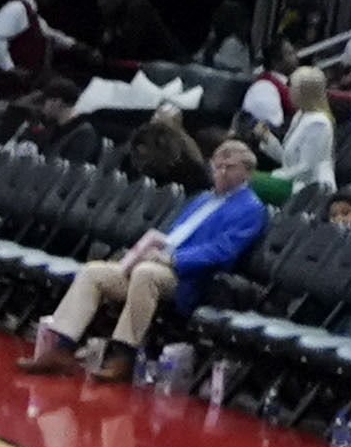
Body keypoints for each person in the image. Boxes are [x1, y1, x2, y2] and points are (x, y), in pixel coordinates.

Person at [17, 135, 262, 383]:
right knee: (94, 272)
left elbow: (222, 251)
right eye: (217, 165)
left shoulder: (250, 208)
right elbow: (170, 235)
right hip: (157, 264)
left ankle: (123, 356)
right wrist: (144, 251)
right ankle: (62, 347)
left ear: (247, 173)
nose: (220, 171)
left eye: (229, 167)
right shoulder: (201, 199)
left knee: (146, 273)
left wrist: (172, 259)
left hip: (189, 277)